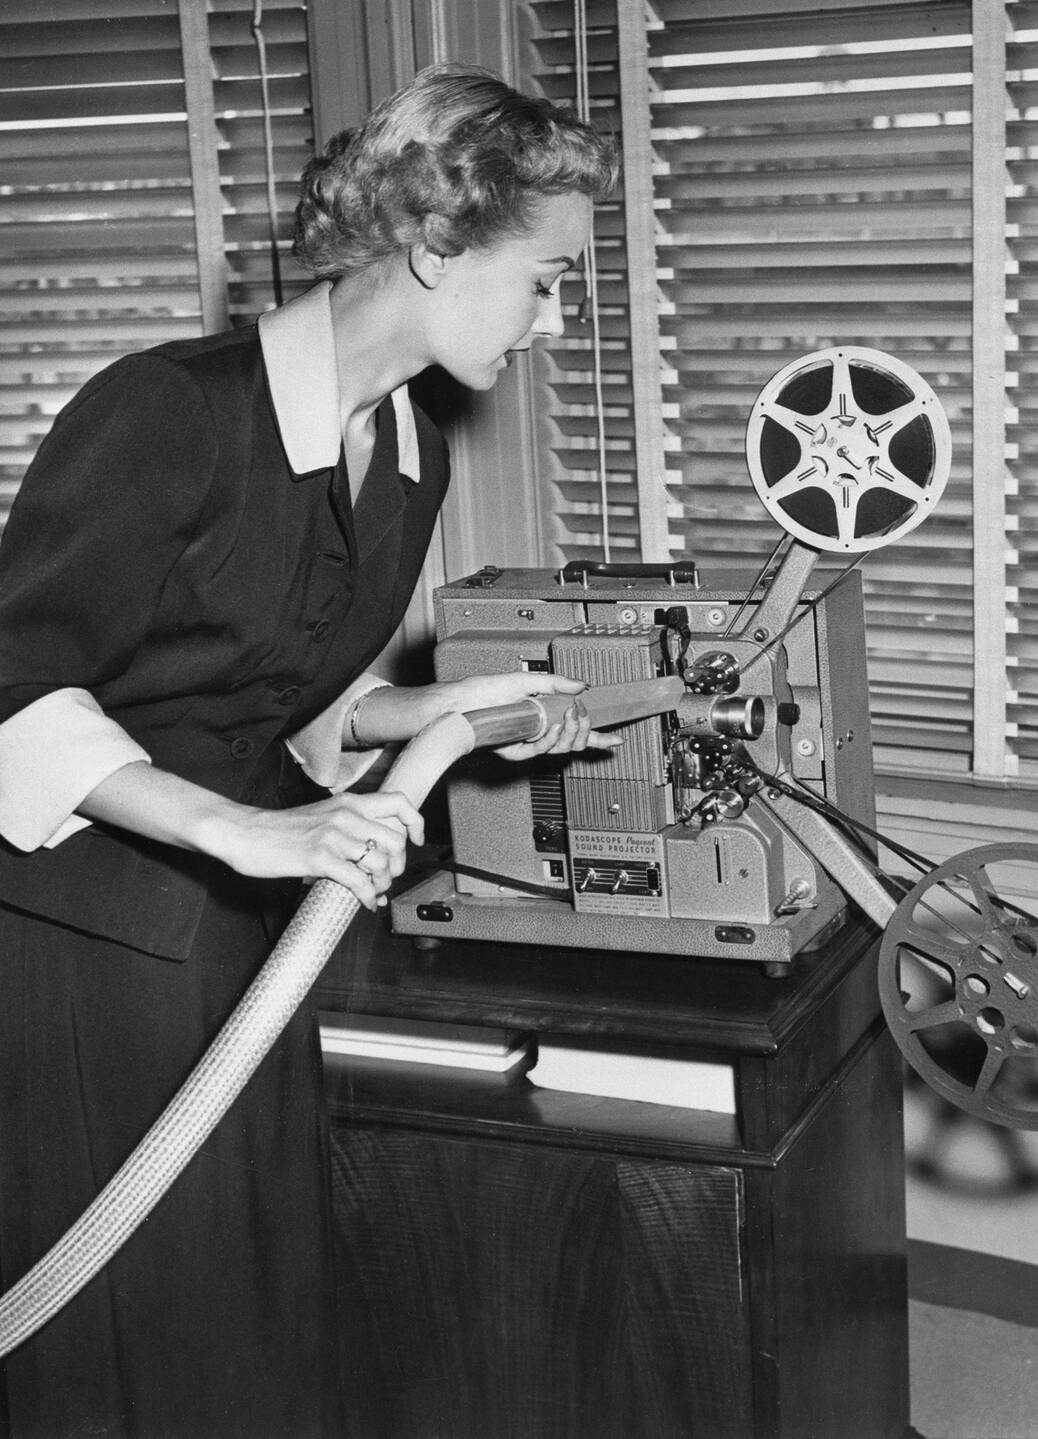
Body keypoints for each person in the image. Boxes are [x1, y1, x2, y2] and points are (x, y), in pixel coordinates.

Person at [0, 62, 618, 1438]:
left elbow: (282, 701)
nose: (556, 323)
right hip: (84, 952)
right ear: (437, 242)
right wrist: (240, 829)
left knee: (254, 1304)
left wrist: (466, 713)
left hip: (251, 939)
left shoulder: (408, 459)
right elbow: (14, 688)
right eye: (548, 279)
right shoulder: (166, 413)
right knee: (126, 1337)